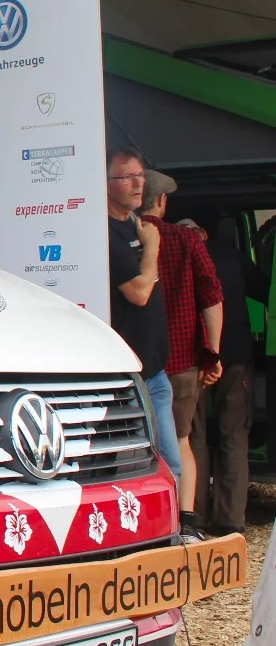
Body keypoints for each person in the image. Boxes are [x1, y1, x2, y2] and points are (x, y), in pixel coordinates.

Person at [139, 172, 222, 544]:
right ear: (162, 202)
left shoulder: (123, 237)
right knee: (182, 440)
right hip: (183, 361)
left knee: (141, 446)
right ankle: (185, 522)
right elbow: (212, 297)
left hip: (138, 360)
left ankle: (146, 522)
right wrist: (213, 353)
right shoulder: (187, 239)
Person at [105, 150, 183, 483]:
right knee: (134, 469)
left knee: (171, 465)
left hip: (155, 372)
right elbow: (139, 293)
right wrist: (152, 247)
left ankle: (173, 532)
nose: (139, 183)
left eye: (140, 176)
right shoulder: (105, 234)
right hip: (125, 377)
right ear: (106, 184)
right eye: (127, 177)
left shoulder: (135, 224)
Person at [189, 218, 260, 536]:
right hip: (236, 356)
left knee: (194, 438)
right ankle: (231, 520)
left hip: (196, 358)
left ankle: (196, 514)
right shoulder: (232, 255)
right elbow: (261, 288)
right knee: (234, 436)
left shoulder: (175, 253)